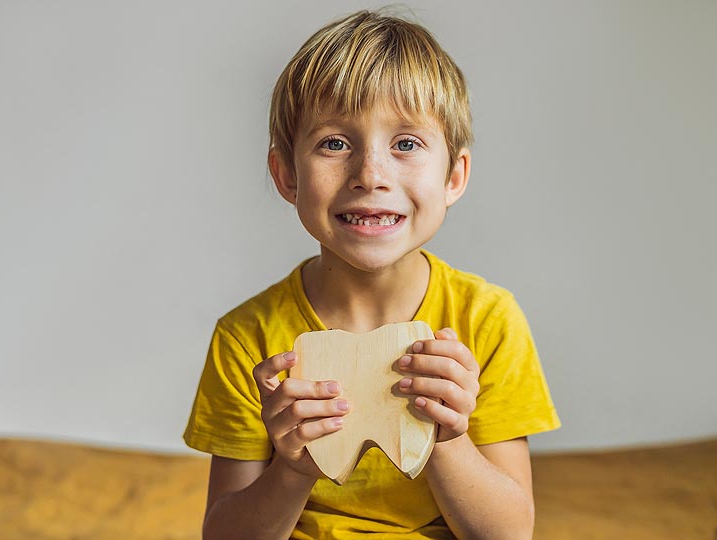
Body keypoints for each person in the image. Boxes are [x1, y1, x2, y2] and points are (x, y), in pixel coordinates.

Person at [184, 9, 560, 539]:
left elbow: (508, 534)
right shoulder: (247, 339)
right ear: (287, 175)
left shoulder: (488, 320)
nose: (371, 175)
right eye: (335, 143)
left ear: (454, 176)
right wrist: (291, 470)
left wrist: (448, 438)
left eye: (406, 144)